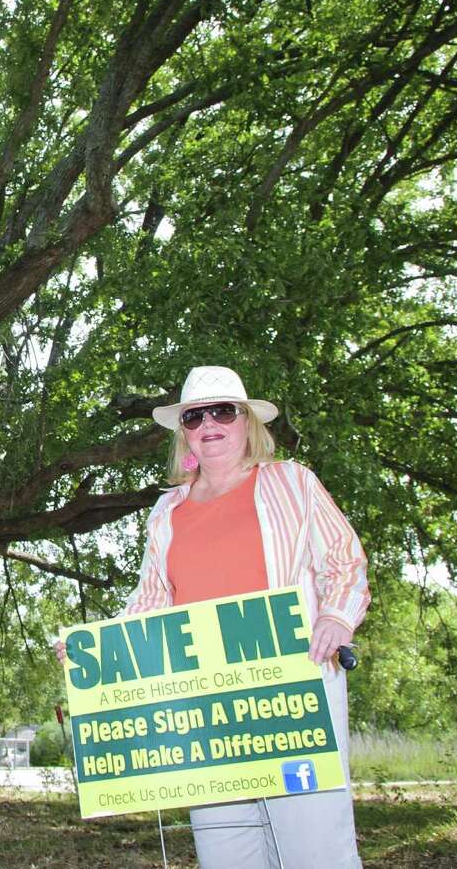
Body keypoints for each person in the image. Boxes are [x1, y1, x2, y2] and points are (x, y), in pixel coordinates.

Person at [129, 365, 369, 868]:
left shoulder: (293, 483)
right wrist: (96, 651)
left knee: (313, 846)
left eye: (223, 411)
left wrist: (337, 619)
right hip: (207, 700)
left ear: (247, 423)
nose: (208, 424)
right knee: (226, 850)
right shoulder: (165, 513)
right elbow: (150, 601)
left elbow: (344, 561)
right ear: (184, 433)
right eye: (195, 416)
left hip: (295, 684)